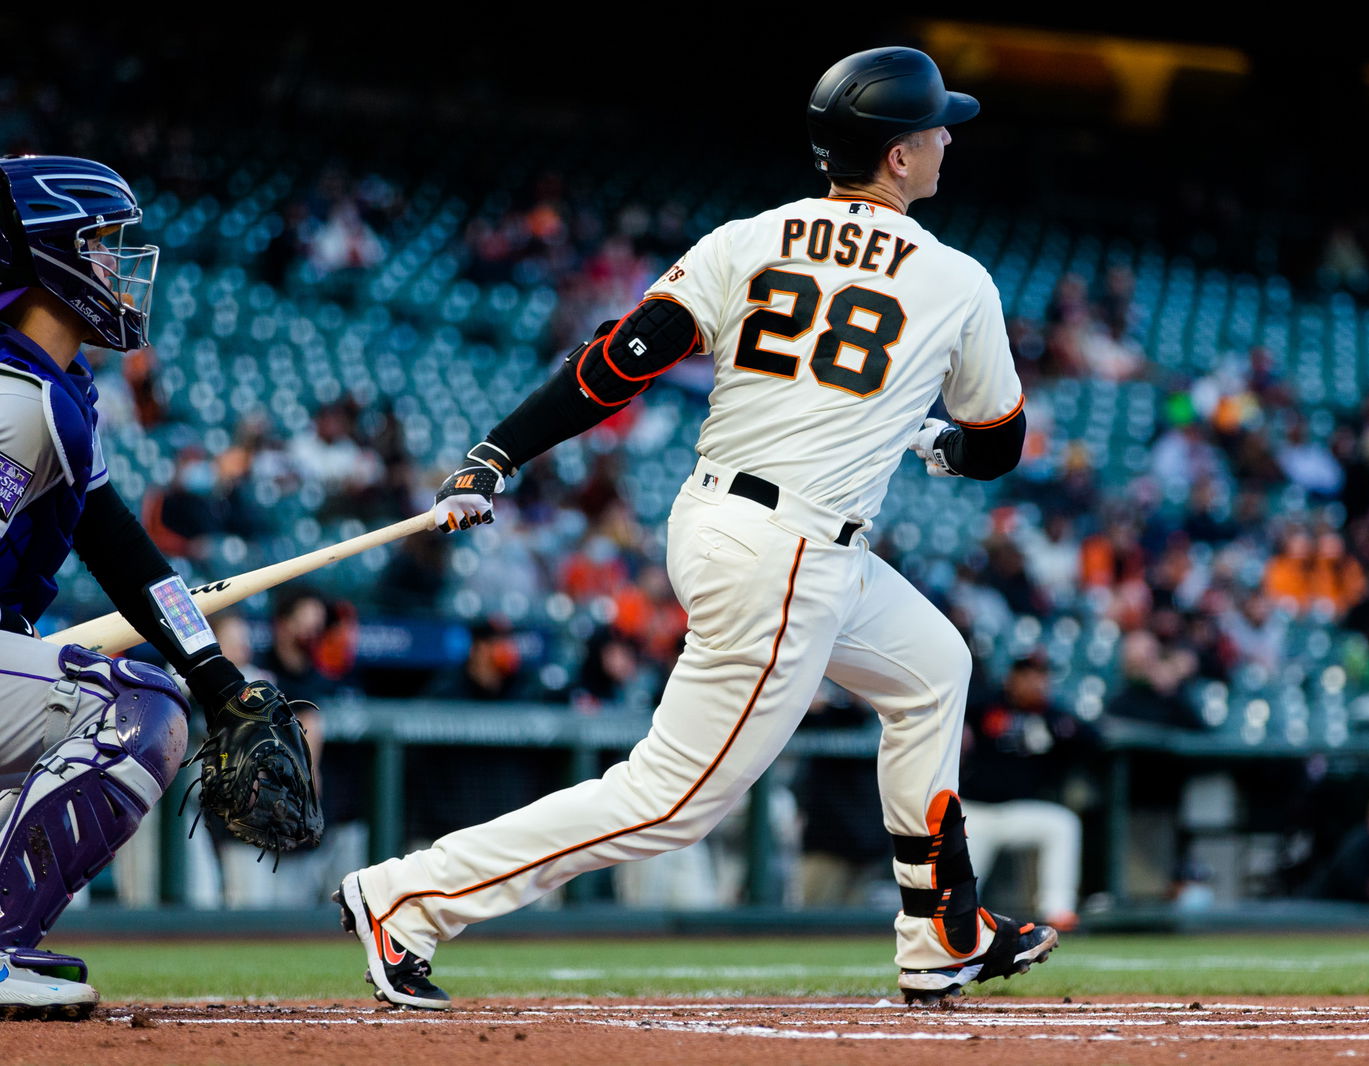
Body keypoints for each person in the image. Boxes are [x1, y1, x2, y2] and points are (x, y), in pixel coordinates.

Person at [332, 47, 1058, 1010]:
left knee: (934, 670)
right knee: (673, 799)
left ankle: (940, 928)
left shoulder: (748, 237)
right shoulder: (955, 279)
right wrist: (933, 442)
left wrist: (498, 452)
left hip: (726, 522)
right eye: (933, 127)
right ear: (894, 157)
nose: (946, 138)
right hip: (790, 555)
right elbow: (999, 449)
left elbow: (614, 362)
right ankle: (408, 896)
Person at [0, 155, 316, 1018]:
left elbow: (129, 559)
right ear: (47, 253)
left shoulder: (56, 386)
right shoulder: (15, 397)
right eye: (102, 245)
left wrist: (219, 679)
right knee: (138, 709)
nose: (119, 266)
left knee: (161, 693)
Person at [961, 656, 1095, 932]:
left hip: (1016, 812)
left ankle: (1059, 911)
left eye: (1041, 677)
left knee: (1062, 824)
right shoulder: (984, 705)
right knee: (960, 895)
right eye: (1028, 676)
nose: (1035, 683)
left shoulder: (1052, 716)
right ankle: (957, 923)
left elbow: (1092, 739)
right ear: (1012, 679)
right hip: (973, 812)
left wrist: (1061, 731)